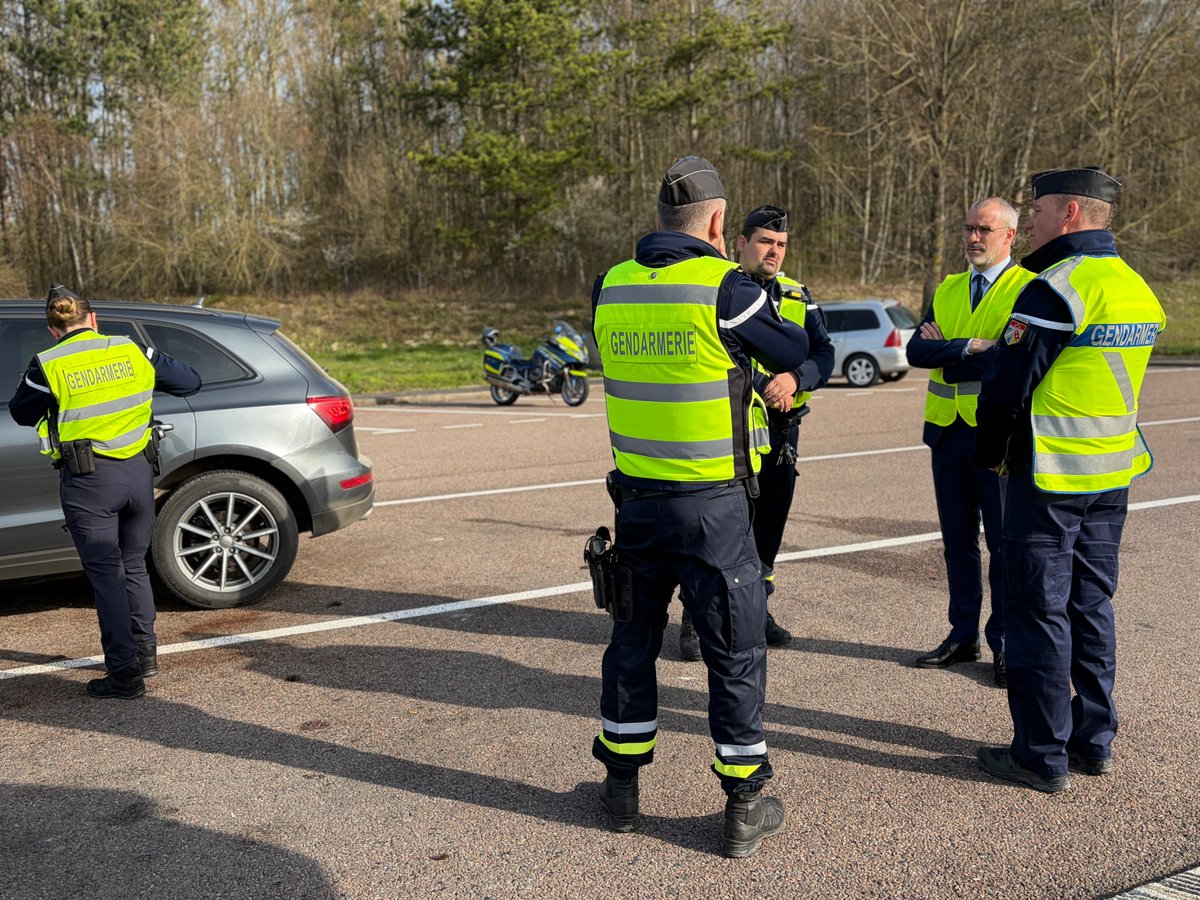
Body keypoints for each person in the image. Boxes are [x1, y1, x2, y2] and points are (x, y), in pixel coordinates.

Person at [590, 156, 810, 858]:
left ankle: (620, 787)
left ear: (658, 219)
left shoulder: (611, 286)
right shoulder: (725, 287)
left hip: (637, 505)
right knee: (735, 650)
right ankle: (743, 803)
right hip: (711, 507)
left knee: (631, 642)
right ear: (718, 223)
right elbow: (792, 345)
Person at [973, 167, 1165, 792]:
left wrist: (992, 451)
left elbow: (1007, 386)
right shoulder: (1133, 285)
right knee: (1090, 606)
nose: (1029, 220)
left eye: (1038, 209)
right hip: (1112, 475)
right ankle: (1093, 741)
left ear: (1071, 214)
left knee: (1036, 613)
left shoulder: (1056, 286)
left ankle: (1040, 755)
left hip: (1050, 475)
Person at [8, 285, 201, 699]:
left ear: (52, 329)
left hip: (90, 482)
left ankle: (124, 674)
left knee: (106, 576)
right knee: (132, 565)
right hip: (139, 474)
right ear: (93, 320)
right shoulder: (131, 350)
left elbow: (21, 412)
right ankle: (145, 655)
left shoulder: (48, 364)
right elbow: (189, 382)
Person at [906, 198, 1035, 686]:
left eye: (985, 229)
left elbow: (1008, 360)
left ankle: (1003, 644)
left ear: (1009, 237)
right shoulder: (949, 286)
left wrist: (956, 351)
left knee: (1004, 546)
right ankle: (963, 636)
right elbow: (917, 349)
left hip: (996, 437)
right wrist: (966, 346)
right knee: (957, 543)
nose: (974, 238)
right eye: (969, 228)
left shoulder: (1027, 288)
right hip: (947, 433)